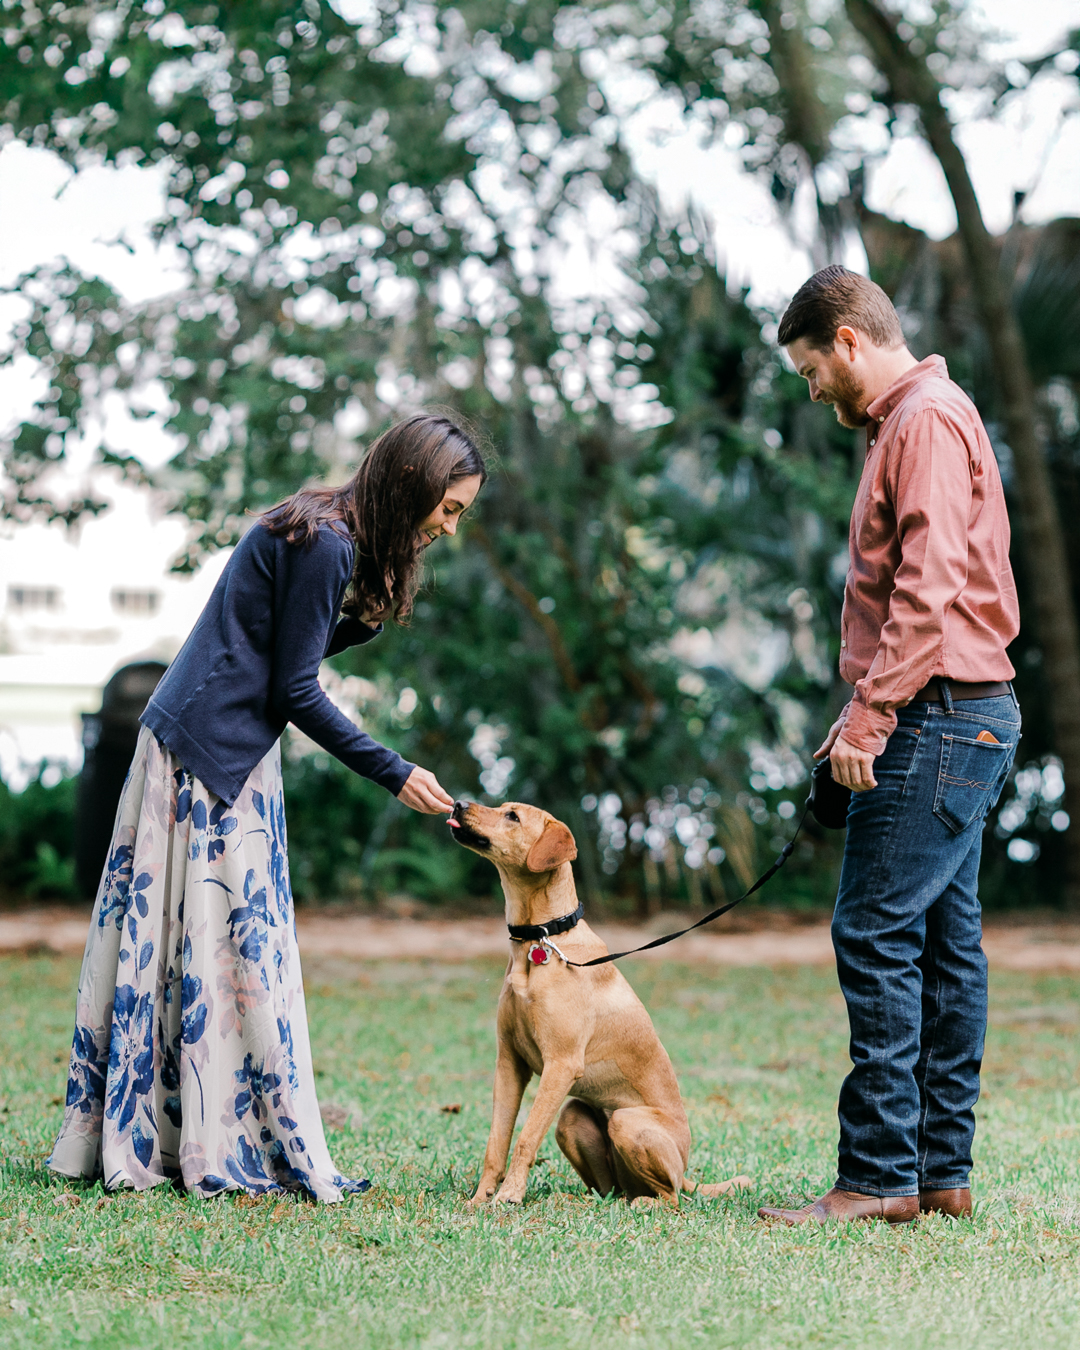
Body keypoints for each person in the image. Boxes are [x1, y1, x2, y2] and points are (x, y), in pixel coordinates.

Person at [49, 411, 485, 1200]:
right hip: (206, 756)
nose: (449, 528)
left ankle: (187, 1130)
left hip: (215, 744)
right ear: (414, 482)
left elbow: (272, 650)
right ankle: (206, 1138)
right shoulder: (329, 544)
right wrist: (393, 771)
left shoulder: (318, 524)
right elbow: (293, 690)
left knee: (206, 952)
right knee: (221, 953)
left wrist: (354, 629)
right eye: (449, 508)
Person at [758, 267, 1021, 1226]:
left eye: (810, 370)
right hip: (955, 711)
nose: (812, 390)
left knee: (874, 933)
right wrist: (859, 709)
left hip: (937, 718)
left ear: (848, 340)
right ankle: (939, 1173)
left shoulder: (923, 420)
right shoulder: (917, 420)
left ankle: (875, 1177)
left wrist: (872, 718)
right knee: (946, 945)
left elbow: (929, 585)